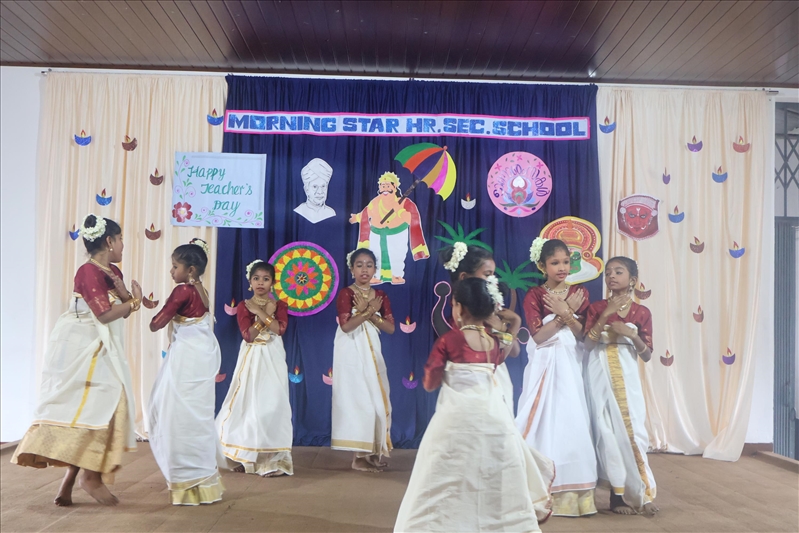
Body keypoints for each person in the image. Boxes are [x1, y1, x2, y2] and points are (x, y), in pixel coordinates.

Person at [394, 278, 553, 532]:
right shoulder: (493, 342)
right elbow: (500, 359)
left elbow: (430, 383)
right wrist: (514, 324)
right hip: (493, 419)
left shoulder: (449, 340)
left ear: (459, 307)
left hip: (455, 420)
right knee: (491, 475)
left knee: (441, 476)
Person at [12, 214, 141, 507]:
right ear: (109, 241)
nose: (123, 245)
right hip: (83, 345)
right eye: (121, 239)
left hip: (101, 345)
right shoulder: (88, 271)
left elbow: (120, 311)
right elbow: (104, 314)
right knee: (98, 406)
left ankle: (70, 480)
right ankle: (90, 478)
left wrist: (129, 299)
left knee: (93, 408)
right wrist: (134, 302)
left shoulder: (112, 271)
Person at [516, 238, 597, 517]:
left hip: (571, 363)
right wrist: (563, 315)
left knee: (571, 418)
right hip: (545, 364)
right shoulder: (535, 295)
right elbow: (539, 337)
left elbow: (583, 334)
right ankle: (537, 487)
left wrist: (567, 314)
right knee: (542, 420)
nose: (562, 267)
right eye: (554, 263)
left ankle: (575, 494)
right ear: (542, 266)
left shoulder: (580, 293)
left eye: (565, 262)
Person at [147, 238, 224, 505]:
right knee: (198, 415)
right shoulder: (202, 291)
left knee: (176, 415)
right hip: (202, 357)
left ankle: (185, 478)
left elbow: (156, 323)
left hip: (186, 358)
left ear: (190, 270)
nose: (171, 271)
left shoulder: (182, 291)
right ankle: (203, 479)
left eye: (175, 266)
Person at [583, 256, 658, 515]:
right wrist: (604, 316)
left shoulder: (641, 313)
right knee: (606, 432)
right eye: (608, 273)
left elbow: (647, 355)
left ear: (632, 280)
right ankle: (617, 497)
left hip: (627, 378)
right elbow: (588, 344)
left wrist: (632, 334)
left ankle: (643, 494)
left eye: (618, 272)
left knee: (633, 432)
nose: (611, 276)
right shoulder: (596, 308)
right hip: (599, 374)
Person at [216, 259, 293, 477]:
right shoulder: (244, 306)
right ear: (250, 282)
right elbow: (248, 335)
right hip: (252, 356)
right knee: (248, 405)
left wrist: (263, 313)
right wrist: (263, 314)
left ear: (272, 283)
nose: (260, 282)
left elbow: (279, 330)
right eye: (256, 278)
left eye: (266, 279)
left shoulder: (280, 305)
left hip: (273, 355)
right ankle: (242, 456)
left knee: (274, 403)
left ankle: (272, 461)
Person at [330, 248, 396, 472]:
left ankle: (373, 453)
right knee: (359, 399)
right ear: (352, 269)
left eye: (369, 265)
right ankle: (359, 457)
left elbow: (390, 328)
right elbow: (346, 326)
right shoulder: (346, 294)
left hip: (372, 351)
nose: (364, 269)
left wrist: (370, 312)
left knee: (377, 398)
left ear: (375, 269)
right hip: (351, 350)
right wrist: (368, 312)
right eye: (359, 265)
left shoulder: (381, 296)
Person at [436, 242, 520, 412]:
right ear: (464, 277)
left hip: (496, 377)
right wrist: (514, 324)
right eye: (487, 274)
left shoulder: (491, 304)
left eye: (493, 274)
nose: (493, 280)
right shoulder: (464, 314)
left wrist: (504, 329)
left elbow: (515, 351)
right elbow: (498, 357)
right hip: (474, 378)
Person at [349, 171, 429, 285]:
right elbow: (366, 213)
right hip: (376, 234)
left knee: (396, 256)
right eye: (382, 186)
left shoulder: (405, 203)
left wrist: (399, 211)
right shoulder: (376, 201)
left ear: (394, 187)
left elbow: (411, 219)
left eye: (388, 186)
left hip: (396, 235)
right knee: (375, 255)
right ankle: (375, 276)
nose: (385, 189)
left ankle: (396, 275)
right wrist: (356, 218)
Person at [294, 158, 336, 223]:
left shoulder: (331, 213)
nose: (320, 192)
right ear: (306, 189)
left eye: (323, 186)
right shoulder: (299, 211)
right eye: (315, 187)